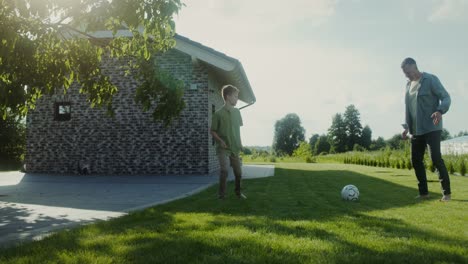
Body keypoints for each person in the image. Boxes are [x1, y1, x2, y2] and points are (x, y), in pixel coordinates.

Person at [401, 57, 452, 202]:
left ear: (414, 66)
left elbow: (446, 97)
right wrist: (406, 127)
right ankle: (424, 193)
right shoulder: (408, 85)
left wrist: (440, 111)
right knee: (415, 160)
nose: (407, 75)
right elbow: (410, 108)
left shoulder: (430, 79)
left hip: (431, 127)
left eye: (408, 72)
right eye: (405, 73)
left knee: (435, 159)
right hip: (415, 130)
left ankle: (446, 194)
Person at [210, 85, 247, 199]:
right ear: (228, 96)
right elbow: (212, 131)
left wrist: (240, 143)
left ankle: (238, 193)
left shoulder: (237, 112)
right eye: (235, 96)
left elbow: (238, 130)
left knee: (238, 173)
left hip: (234, 147)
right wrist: (220, 141)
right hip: (223, 148)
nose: (237, 99)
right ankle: (222, 195)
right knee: (224, 170)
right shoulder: (218, 114)